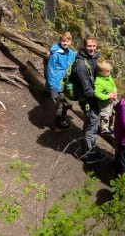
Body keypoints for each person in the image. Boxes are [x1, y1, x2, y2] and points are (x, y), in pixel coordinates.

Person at [74, 36, 106, 164]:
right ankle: (88, 154)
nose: (92, 48)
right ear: (84, 46)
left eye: (94, 46)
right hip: (89, 101)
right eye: (89, 46)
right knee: (91, 127)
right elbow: (87, 90)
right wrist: (104, 97)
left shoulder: (95, 59)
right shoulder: (81, 64)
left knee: (91, 125)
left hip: (95, 100)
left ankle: (89, 148)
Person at [46, 31, 76, 131]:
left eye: (67, 41)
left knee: (67, 103)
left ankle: (62, 119)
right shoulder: (55, 54)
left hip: (67, 84)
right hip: (57, 83)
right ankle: (59, 124)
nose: (65, 43)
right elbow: (50, 70)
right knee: (61, 103)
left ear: (70, 42)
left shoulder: (71, 54)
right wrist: (53, 87)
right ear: (60, 41)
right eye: (63, 41)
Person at [94, 60, 118, 135]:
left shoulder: (108, 77)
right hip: (104, 103)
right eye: (107, 71)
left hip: (111, 100)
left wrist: (115, 91)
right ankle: (103, 129)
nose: (109, 73)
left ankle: (109, 126)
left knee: (111, 113)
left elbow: (113, 84)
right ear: (101, 72)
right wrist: (107, 96)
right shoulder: (98, 81)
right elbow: (97, 93)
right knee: (105, 115)